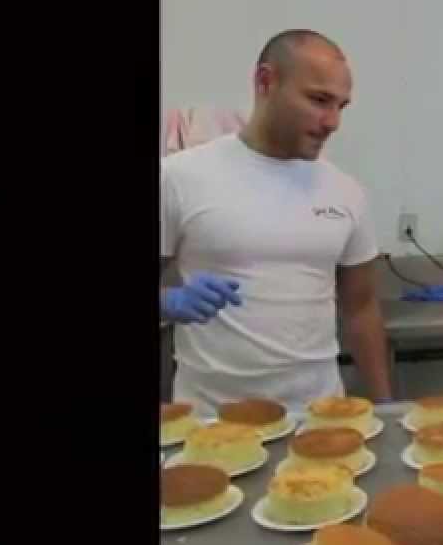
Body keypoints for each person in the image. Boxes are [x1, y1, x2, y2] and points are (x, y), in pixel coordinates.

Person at [160, 30, 394, 410]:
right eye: (319, 100)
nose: (332, 121)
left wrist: (386, 406)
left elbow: (362, 307)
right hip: (212, 422)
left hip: (320, 419)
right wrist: (166, 301)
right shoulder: (179, 177)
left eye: (341, 106)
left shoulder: (345, 190)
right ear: (266, 82)